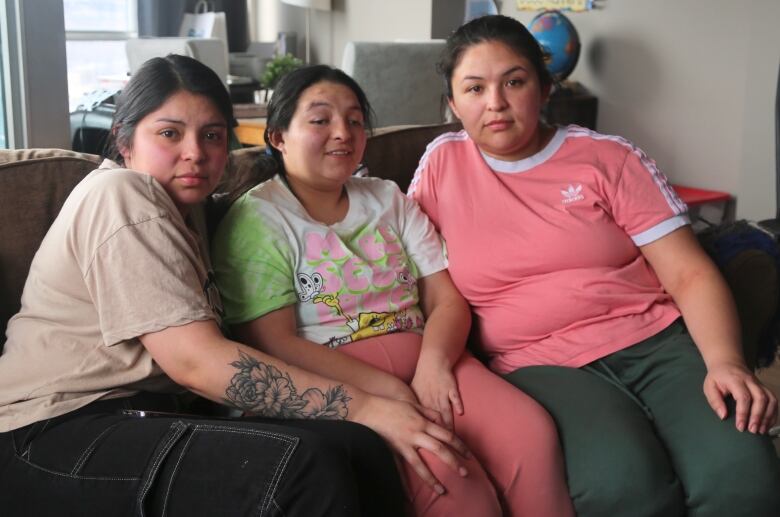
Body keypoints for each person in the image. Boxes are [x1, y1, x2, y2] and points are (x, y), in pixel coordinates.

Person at [0, 54, 410, 517]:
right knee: (303, 465)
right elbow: (196, 362)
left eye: (212, 135)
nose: (195, 152)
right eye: (170, 133)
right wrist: (365, 405)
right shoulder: (119, 194)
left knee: (358, 447)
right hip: (49, 430)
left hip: (144, 418)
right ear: (125, 139)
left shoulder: (194, 211)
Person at [408, 14, 780, 517]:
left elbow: (688, 273)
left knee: (743, 476)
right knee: (626, 489)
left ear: (543, 88)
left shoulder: (606, 158)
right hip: (536, 362)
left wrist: (725, 362)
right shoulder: (440, 165)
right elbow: (412, 272)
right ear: (453, 105)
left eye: (514, 82)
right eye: (474, 88)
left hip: (655, 342)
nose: (494, 103)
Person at [211, 64, 575, 517]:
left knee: (529, 433)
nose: (342, 132)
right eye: (320, 120)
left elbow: (445, 299)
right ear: (278, 137)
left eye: (355, 120)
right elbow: (271, 342)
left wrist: (434, 367)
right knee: (457, 484)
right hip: (336, 374)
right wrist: (384, 389)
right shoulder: (259, 218)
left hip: (430, 358)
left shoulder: (387, 198)